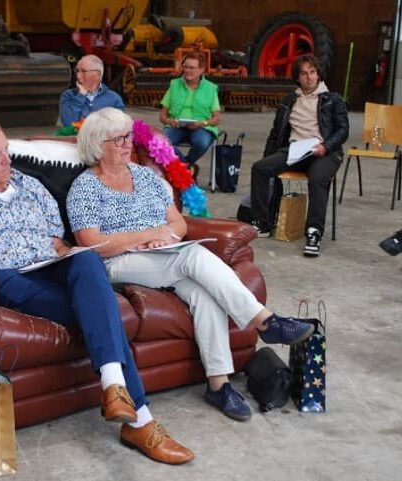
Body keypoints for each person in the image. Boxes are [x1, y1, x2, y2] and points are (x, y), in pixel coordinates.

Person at [0, 117, 194, 465]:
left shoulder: (31, 185)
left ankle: (115, 388)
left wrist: (72, 260)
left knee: (87, 260)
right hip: (9, 276)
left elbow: (56, 242)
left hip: (50, 265)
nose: (7, 159)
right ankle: (139, 420)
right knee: (101, 314)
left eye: (6, 150)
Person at [66, 107, 315, 422]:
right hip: (116, 262)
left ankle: (219, 384)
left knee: (202, 292)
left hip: (163, 257)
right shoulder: (85, 187)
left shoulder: (145, 176)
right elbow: (91, 242)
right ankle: (265, 321)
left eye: (128, 136)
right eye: (118, 140)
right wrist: (149, 236)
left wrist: (166, 238)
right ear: (97, 146)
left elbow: (179, 224)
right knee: (192, 256)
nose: (128, 144)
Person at [249, 54, 349, 257]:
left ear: (318, 74)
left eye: (312, 72)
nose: (309, 77)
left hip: (325, 152)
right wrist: (268, 157)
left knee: (317, 178)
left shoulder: (333, 99)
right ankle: (262, 222)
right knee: (260, 168)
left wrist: (325, 146)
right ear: (297, 77)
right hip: (295, 151)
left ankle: (313, 232)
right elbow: (276, 133)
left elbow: (343, 130)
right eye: (304, 73)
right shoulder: (289, 101)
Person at [159, 51, 220, 172]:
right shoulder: (174, 85)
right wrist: (169, 121)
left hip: (201, 127)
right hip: (176, 126)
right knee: (161, 143)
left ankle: (186, 165)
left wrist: (203, 123)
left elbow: (216, 119)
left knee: (202, 142)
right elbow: (162, 115)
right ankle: (187, 168)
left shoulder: (210, 88)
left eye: (191, 68)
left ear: (201, 70)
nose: (187, 70)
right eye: (185, 67)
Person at [59, 54, 124, 127]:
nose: (78, 76)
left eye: (83, 71)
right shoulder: (68, 95)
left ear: (98, 75)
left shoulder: (114, 99)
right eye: (77, 71)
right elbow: (68, 124)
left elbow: (118, 127)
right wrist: (80, 96)